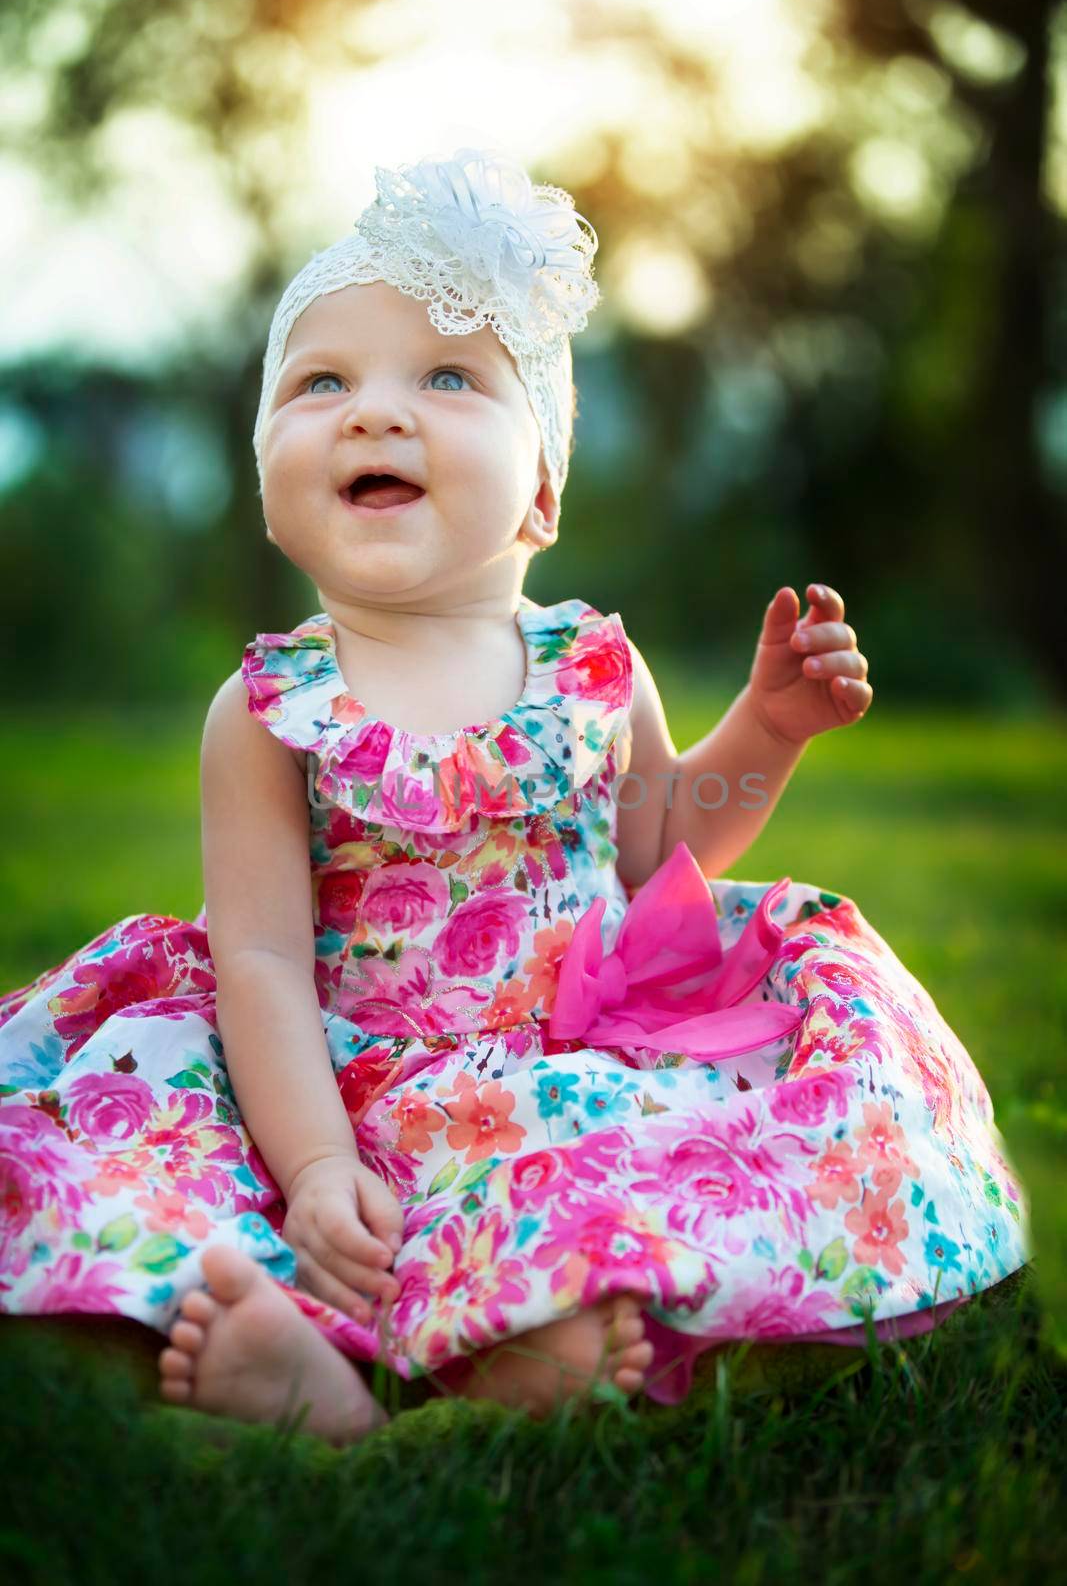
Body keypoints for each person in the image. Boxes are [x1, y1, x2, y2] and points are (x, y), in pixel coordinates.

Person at [0, 148, 1029, 1444]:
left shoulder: (592, 666)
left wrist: (770, 727)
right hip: (333, 1076)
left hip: (557, 1064)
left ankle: (511, 1348)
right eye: (321, 382)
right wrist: (316, 1165)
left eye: (447, 377)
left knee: (625, 1166)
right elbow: (256, 956)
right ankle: (308, 1349)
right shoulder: (266, 709)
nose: (375, 412)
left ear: (541, 485)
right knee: (196, 1176)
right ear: (269, 482)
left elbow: (663, 846)